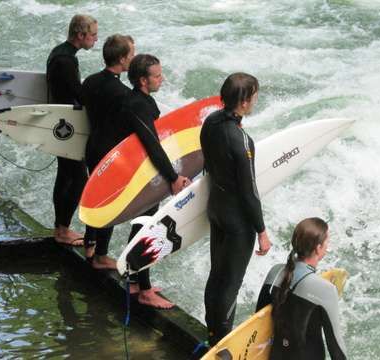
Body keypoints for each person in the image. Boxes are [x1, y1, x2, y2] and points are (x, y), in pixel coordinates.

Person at [200, 72, 271, 345]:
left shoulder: (211, 122)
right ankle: (223, 342)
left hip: (216, 209)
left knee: (216, 275)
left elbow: (207, 163)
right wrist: (261, 231)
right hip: (237, 222)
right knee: (230, 284)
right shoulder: (241, 140)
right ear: (243, 102)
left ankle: (211, 334)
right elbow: (249, 192)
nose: (255, 100)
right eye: (253, 96)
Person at [118, 54, 191, 308]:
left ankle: (135, 280)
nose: (163, 79)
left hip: (144, 173)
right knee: (147, 229)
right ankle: (145, 291)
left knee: (142, 226)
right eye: (157, 75)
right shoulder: (139, 104)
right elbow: (151, 145)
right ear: (142, 80)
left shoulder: (137, 99)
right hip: (145, 175)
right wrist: (172, 177)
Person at [80, 34, 135, 269]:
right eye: (131, 55)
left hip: (91, 147)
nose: (133, 59)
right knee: (108, 203)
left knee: (93, 196)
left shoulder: (90, 81)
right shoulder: (122, 93)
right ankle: (101, 255)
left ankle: (89, 243)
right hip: (111, 153)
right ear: (122, 60)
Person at [255, 217, 347, 360]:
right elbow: (336, 347)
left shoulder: (275, 272)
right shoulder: (325, 290)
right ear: (318, 248)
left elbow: (259, 321)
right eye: (327, 241)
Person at [46, 14, 98, 246]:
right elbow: (79, 93)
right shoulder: (66, 61)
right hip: (66, 127)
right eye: (93, 35)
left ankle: (60, 226)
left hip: (60, 123)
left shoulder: (60, 52)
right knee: (78, 178)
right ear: (80, 35)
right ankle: (64, 229)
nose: (96, 39)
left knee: (65, 174)